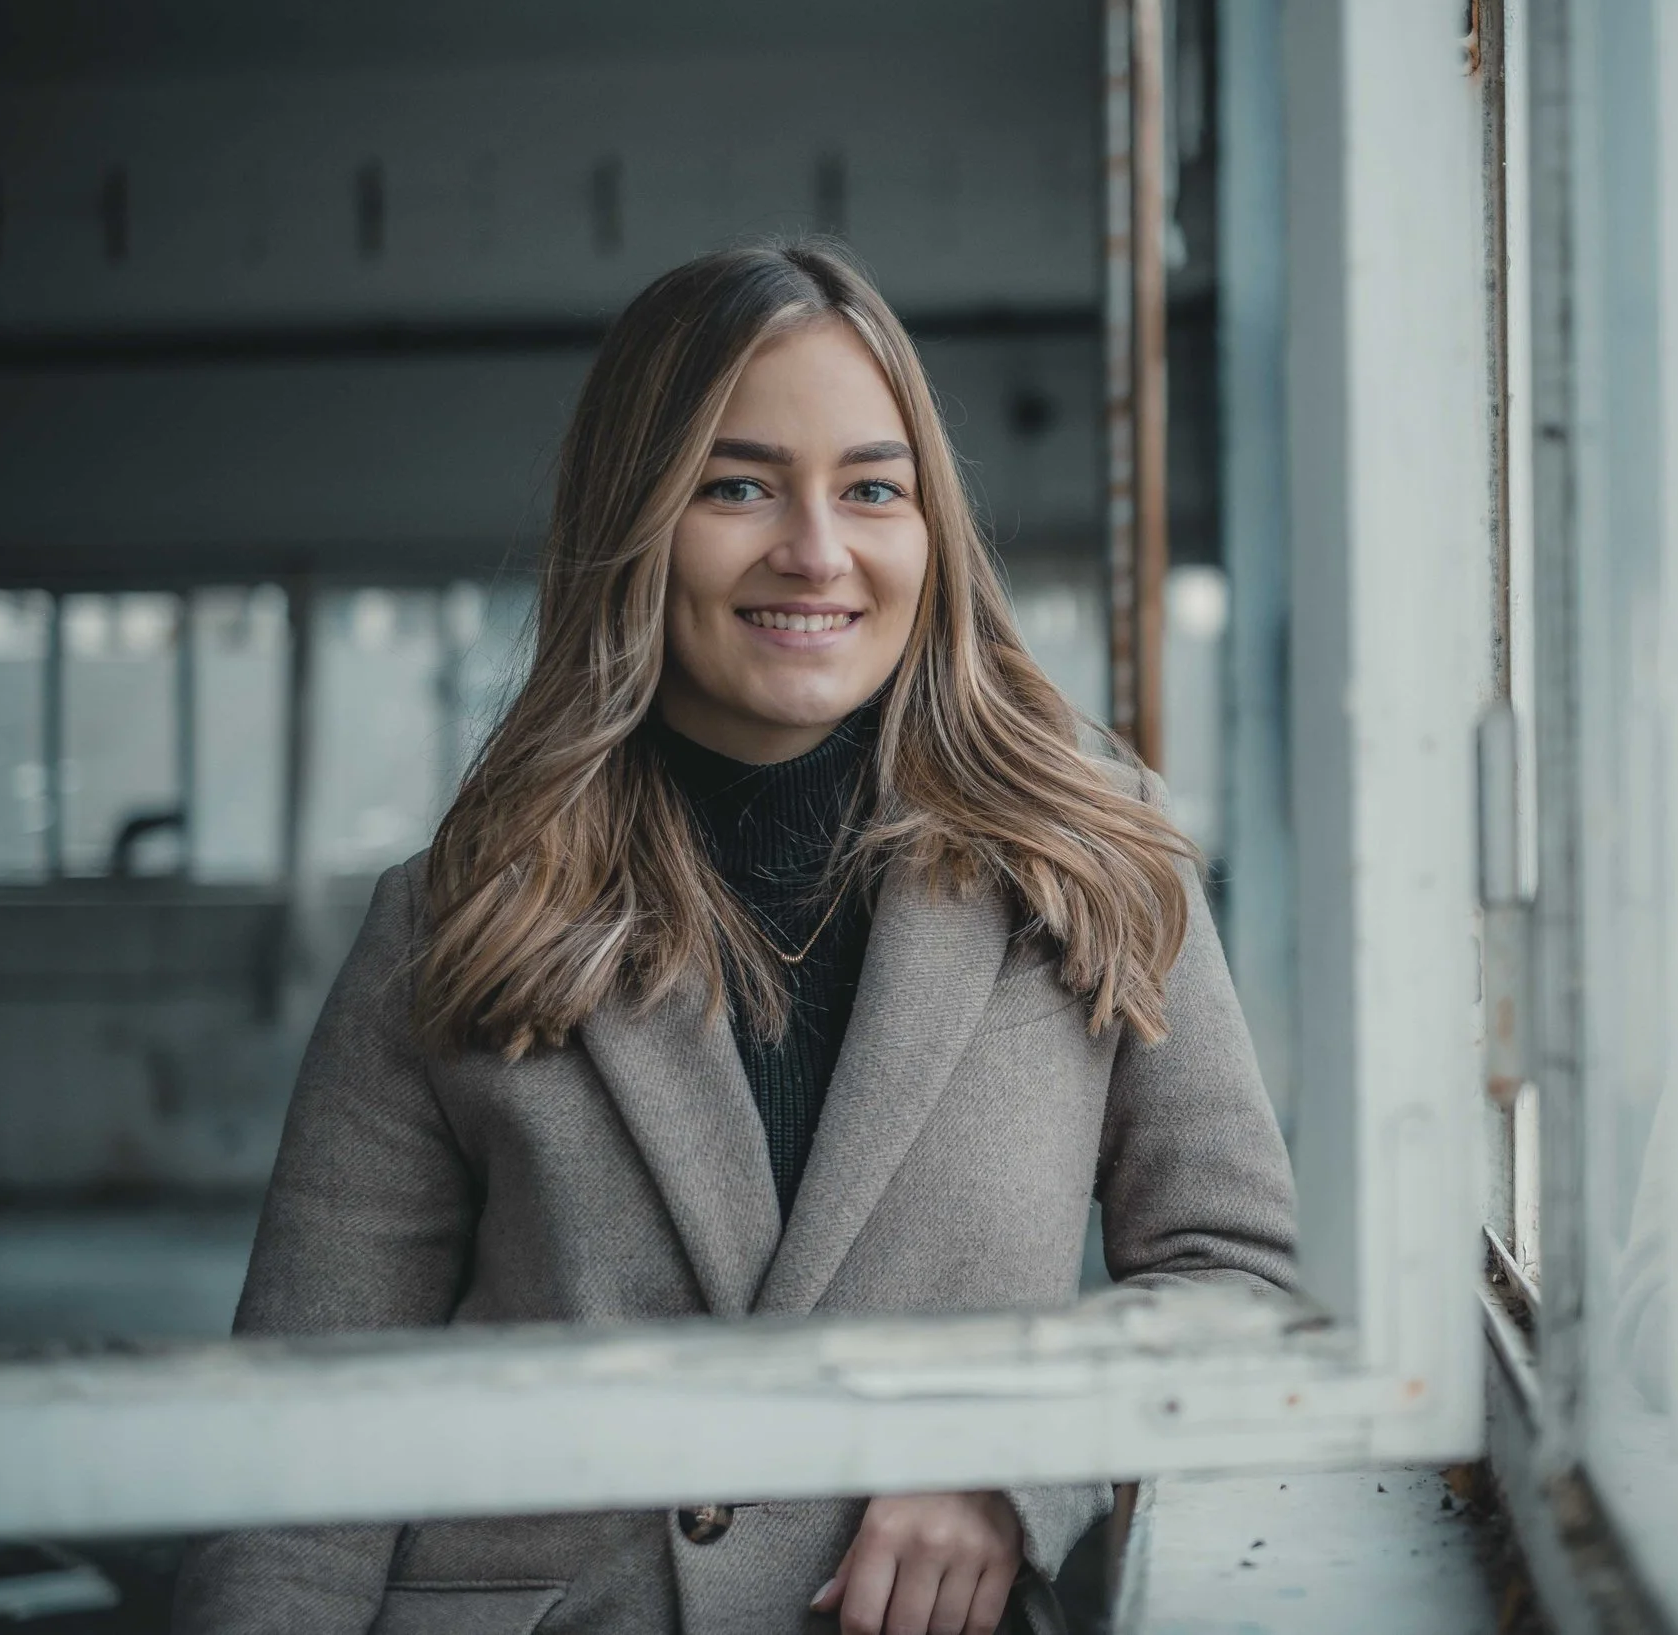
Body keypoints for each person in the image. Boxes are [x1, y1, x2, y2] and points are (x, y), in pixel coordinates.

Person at [172, 243, 1299, 1635]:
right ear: (636, 514)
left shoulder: (1091, 855)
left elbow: (1233, 1277)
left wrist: (1018, 1456)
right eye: (738, 484)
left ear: (930, 526)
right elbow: (301, 1441)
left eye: (872, 488)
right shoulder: (459, 909)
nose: (816, 550)